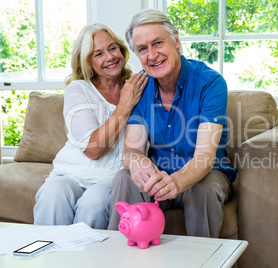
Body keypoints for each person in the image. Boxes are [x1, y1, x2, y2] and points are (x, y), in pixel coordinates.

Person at [107, 9, 236, 238]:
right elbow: (131, 150)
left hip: (206, 174)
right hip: (159, 176)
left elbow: (204, 158)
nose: (152, 55)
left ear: (176, 40)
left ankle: (202, 259)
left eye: (158, 43)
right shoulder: (140, 86)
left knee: (203, 188)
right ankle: (121, 257)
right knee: (123, 177)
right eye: (143, 49)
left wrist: (175, 181)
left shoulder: (210, 83)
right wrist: (136, 160)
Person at [33, 23, 148, 229]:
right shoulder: (78, 89)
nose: (110, 57)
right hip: (71, 173)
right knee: (52, 196)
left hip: (112, 177)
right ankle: (49, 257)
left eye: (112, 48)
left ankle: (86, 260)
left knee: (93, 204)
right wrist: (125, 104)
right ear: (88, 62)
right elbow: (94, 149)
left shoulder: (136, 87)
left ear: (121, 50)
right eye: (98, 54)